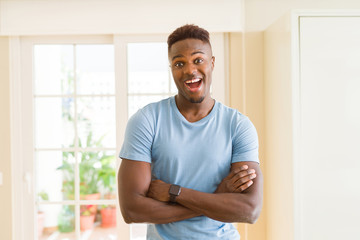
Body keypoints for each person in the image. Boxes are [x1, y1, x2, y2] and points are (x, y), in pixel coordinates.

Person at [118, 24, 263, 240]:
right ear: (172, 69)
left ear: (212, 63)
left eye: (198, 60)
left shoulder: (238, 126)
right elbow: (132, 210)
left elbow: (249, 210)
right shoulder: (147, 120)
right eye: (179, 63)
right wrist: (217, 197)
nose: (189, 70)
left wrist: (173, 193)